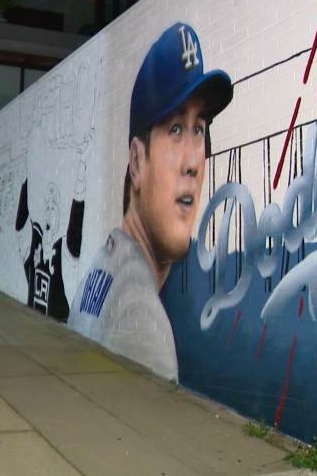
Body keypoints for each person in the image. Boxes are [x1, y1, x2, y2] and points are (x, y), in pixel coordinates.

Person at [68, 22, 233, 382]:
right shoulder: (141, 319)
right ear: (137, 161)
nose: (192, 162)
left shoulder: (105, 266)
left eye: (198, 130)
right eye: (175, 130)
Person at [15, 128, 92, 322]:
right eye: (47, 205)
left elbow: (75, 234)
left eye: (54, 206)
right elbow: (20, 226)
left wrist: (82, 169)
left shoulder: (61, 252)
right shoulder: (36, 241)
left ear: (59, 218)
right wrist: (26, 171)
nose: (50, 209)